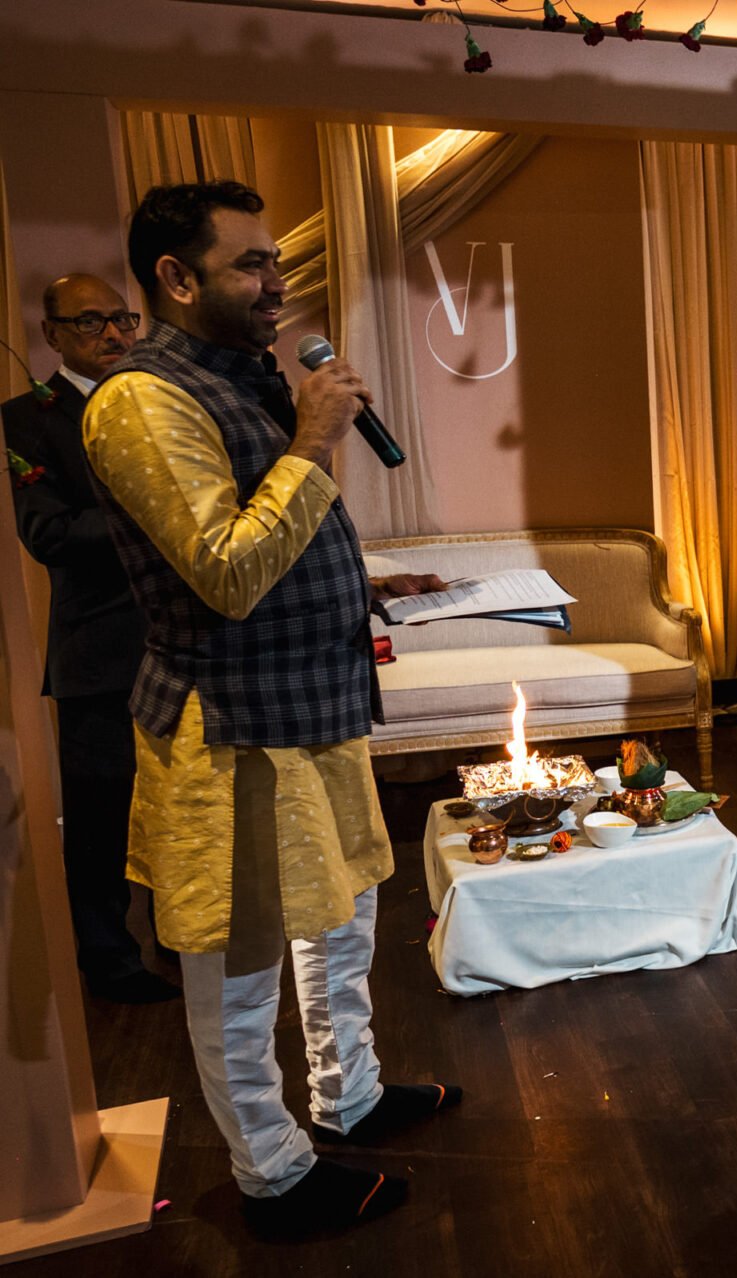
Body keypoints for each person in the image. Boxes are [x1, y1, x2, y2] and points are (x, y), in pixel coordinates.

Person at [82, 181, 458, 1236]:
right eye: (249, 264)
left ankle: (352, 1094)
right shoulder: (142, 400)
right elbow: (225, 573)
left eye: (277, 265)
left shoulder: (243, 382)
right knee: (241, 962)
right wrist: (312, 441)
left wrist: (369, 585)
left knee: (339, 921)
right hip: (230, 729)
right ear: (175, 276)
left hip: (314, 703)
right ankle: (274, 1175)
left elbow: (277, 548)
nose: (275, 287)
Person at [3, 274, 179, 1003]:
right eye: (92, 323)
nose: (114, 335)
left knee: (180, 808)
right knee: (102, 818)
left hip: (182, 643)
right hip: (98, 654)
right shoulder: (25, 421)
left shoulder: (163, 402)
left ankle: (184, 938)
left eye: (123, 319)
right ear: (52, 335)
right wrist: (161, 515)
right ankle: (108, 963)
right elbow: (50, 534)